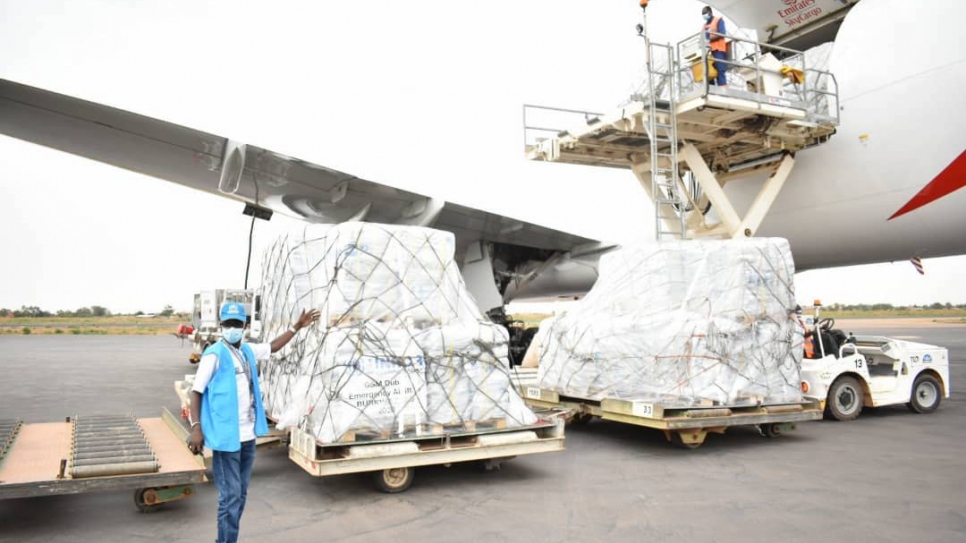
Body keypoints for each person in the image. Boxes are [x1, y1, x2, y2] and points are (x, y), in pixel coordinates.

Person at [188, 301, 320, 543]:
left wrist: (297, 327)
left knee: (240, 495)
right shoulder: (214, 355)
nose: (232, 328)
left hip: (247, 438)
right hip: (226, 440)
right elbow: (195, 392)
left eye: (237, 324)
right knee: (230, 497)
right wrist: (196, 428)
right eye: (228, 324)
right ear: (221, 325)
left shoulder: (247, 351)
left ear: (245, 325)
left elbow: (273, 347)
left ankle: (229, 539)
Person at [702, 6, 728, 88]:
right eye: (703, 14)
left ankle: (723, 88)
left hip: (718, 49)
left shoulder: (718, 20)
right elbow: (702, 38)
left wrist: (709, 40)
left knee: (720, 69)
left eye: (705, 13)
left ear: (710, 12)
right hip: (708, 52)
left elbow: (722, 34)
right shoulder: (704, 26)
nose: (704, 15)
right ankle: (711, 90)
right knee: (709, 72)